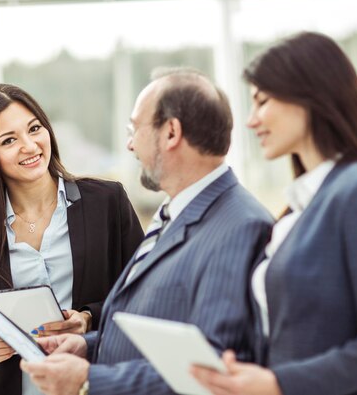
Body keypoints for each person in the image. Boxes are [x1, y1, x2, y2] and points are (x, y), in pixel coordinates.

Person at [20, 69, 274, 395]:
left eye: (134, 128)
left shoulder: (240, 227)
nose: (129, 144)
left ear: (171, 133)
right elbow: (164, 332)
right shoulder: (174, 211)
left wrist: (88, 380)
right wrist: (89, 346)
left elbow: (211, 369)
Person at [0, 83, 144, 395]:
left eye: (34, 128)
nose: (30, 146)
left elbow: (144, 295)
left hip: (97, 382)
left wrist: (88, 318)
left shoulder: (107, 202)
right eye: (9, 140)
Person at [191, 32, 357, 395]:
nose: (251, 120)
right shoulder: (296, 210)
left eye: (262, 101)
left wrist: (278, 383)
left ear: (309, 96)